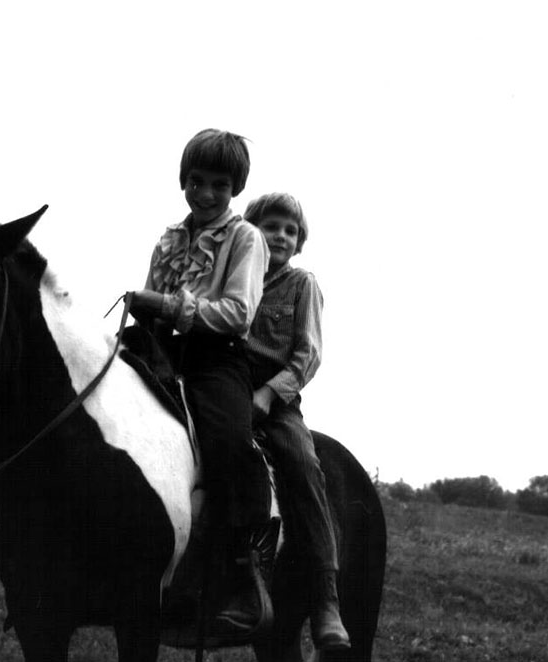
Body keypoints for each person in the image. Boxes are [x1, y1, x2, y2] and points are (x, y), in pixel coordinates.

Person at [129, 128, 274, 630]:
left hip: (217, 359)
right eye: (196, 180)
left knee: (228, 445)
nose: (205, 193)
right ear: (183, 179)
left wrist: (167, 305)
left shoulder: (245, 238)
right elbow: (152, 294)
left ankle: (238, 573)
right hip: (161, 350)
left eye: (218, 184)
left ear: (234, 188)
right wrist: (144, 312)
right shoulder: (169, 237)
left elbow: (238, 313)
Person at [241, 192, 351, 650]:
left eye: (290, 230)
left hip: (276, 399)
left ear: (299, 242)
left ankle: (326, 597)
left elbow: (309, 355)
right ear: (251, 233)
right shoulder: (235, 277)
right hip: (224, 387)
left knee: (302, 465)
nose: (281, 235)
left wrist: (269, 394)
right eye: (272, 226)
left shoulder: (302, 285)